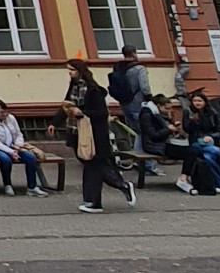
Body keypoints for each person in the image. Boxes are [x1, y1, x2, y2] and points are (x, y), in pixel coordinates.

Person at [67, 57, 134, 211]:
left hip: (96, 134)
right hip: (80, 131)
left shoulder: (93, 90)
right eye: (69, 70)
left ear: (80, 71)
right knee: (97, 167)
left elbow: (101, 113)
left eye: (72, 70)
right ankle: (121, 185)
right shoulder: (74, 87)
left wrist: (82, 112)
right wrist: (55, 122)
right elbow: (67, 104)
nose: (70, 73)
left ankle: (94, 202)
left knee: (93, 167)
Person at [0, 98, 49, 193]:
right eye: (1, 112)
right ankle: (7, 184)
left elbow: (18, 133)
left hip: (13, 146)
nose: (4, 114)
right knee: (5, 160)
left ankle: (32, 187)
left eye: (5, 111)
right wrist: (10, 151)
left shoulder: (10, 118)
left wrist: (18, 145)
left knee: (31, 157)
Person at [107, 46, 159, 172]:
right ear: (134, 53)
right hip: (139, 103)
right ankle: (146, 163)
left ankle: (138, 160)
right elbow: (145, 87)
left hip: (125, 103)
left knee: (135, 132)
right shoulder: (139, 68)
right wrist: (150, 100)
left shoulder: (118, 67)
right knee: (144, 132)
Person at [181, 90, 220, 194]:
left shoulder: (212, 112)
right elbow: (186, 129)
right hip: (196, 143)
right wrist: (192, 122)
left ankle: (218, 182)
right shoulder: (188, 112)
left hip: (210, 142)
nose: (197, 103)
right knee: (211, 155)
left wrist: (211, 136)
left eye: (200, 100)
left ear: (204, 102)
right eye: (195, 100)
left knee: (212, 154)